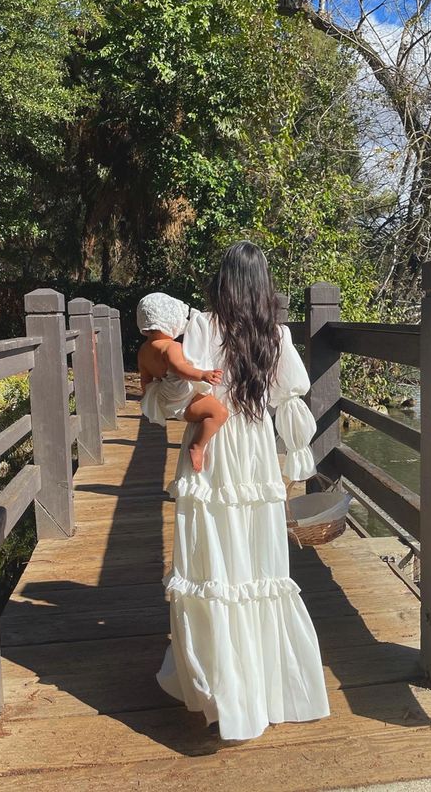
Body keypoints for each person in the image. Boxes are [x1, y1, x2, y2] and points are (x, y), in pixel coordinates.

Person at [156, 241, 330, 740]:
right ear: (262, 287)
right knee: (256, 566)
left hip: (211, 455)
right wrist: (295, 464)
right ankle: (266, 687)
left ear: (222, 282)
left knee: (213, 562)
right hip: (254, 453)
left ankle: (222, 687)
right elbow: (292, 400)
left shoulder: (203, 328)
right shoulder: (275, 336)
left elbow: (175, 398)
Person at [137, 292, 228, 472]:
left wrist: (148, 396)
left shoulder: (144, 350)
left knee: (213, 413)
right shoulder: (171, 347)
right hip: (184, 400)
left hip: (166, 398)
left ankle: (197, 444)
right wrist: (203, 375)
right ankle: (198, 446)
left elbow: (145, 378)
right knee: (219, 413)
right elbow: (181, 369)